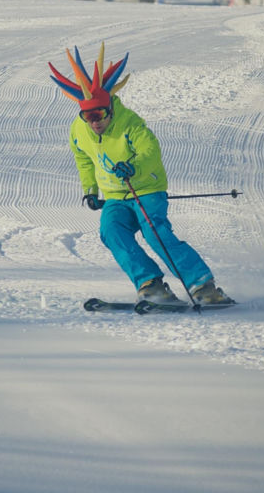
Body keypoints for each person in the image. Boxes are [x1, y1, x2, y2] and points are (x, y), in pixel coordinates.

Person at [48, 42, 232, 305]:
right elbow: (83, 159)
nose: (94, 121)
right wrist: (90, 191)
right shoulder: (79, 130)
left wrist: (133, 167)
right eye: (87, 116)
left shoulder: (131, 124)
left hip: (146, 189)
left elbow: (150, 151)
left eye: (98, 114)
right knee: (111, 231)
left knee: (154, 233)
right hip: (115, 196)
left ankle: (203, 285)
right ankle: (150, 283)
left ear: (110, 109)